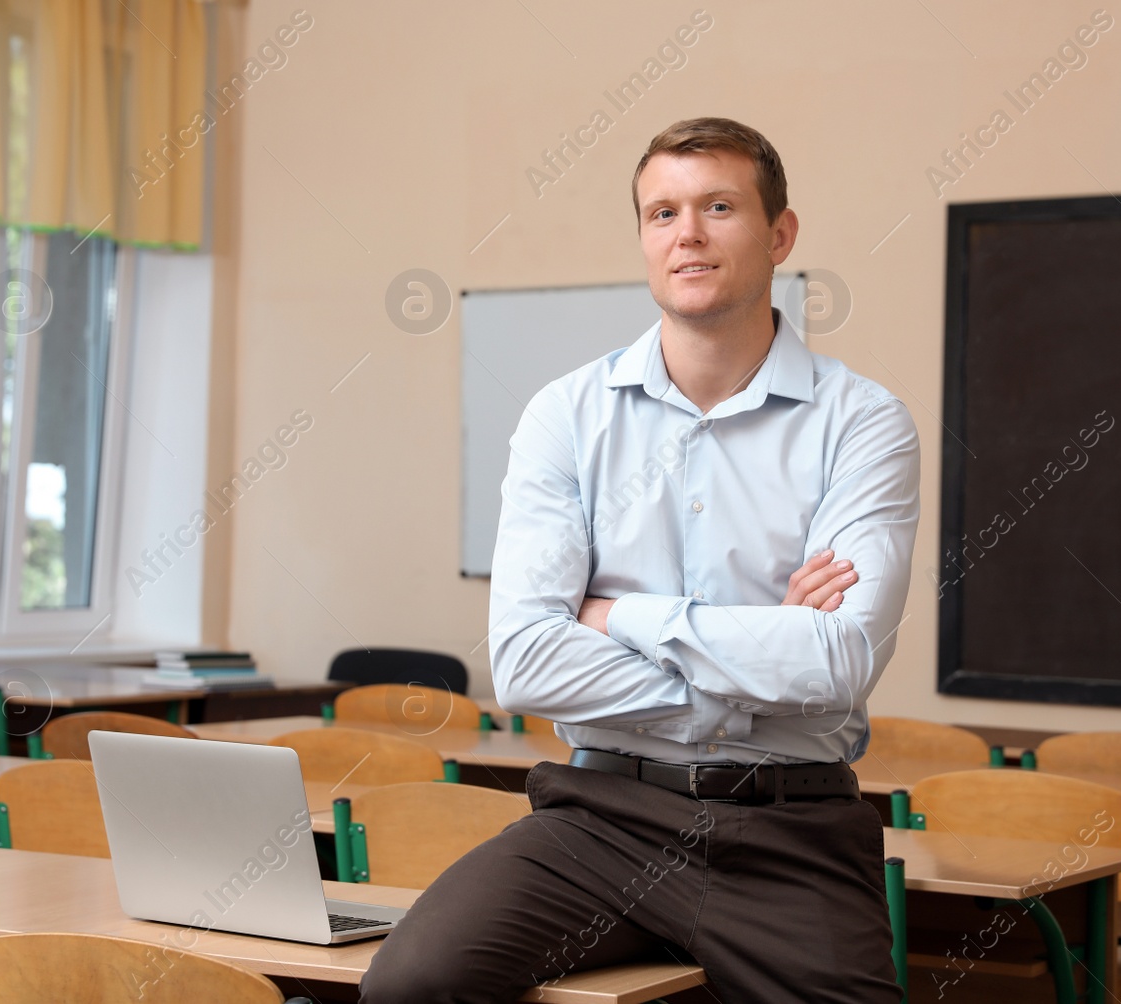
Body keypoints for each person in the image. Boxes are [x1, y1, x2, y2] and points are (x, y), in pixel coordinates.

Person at [359, 116, 919, 1003]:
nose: (686, 233)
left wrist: (620, 616)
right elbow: (526, 663)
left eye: (718, 206)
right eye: (662, 213)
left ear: (780, 233)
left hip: (791, 829)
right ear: (645, 239)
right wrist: (759, 654)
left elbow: (839, 664)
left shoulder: (862, 423)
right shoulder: (565, 416)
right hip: (600, 820)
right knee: (412, 985)